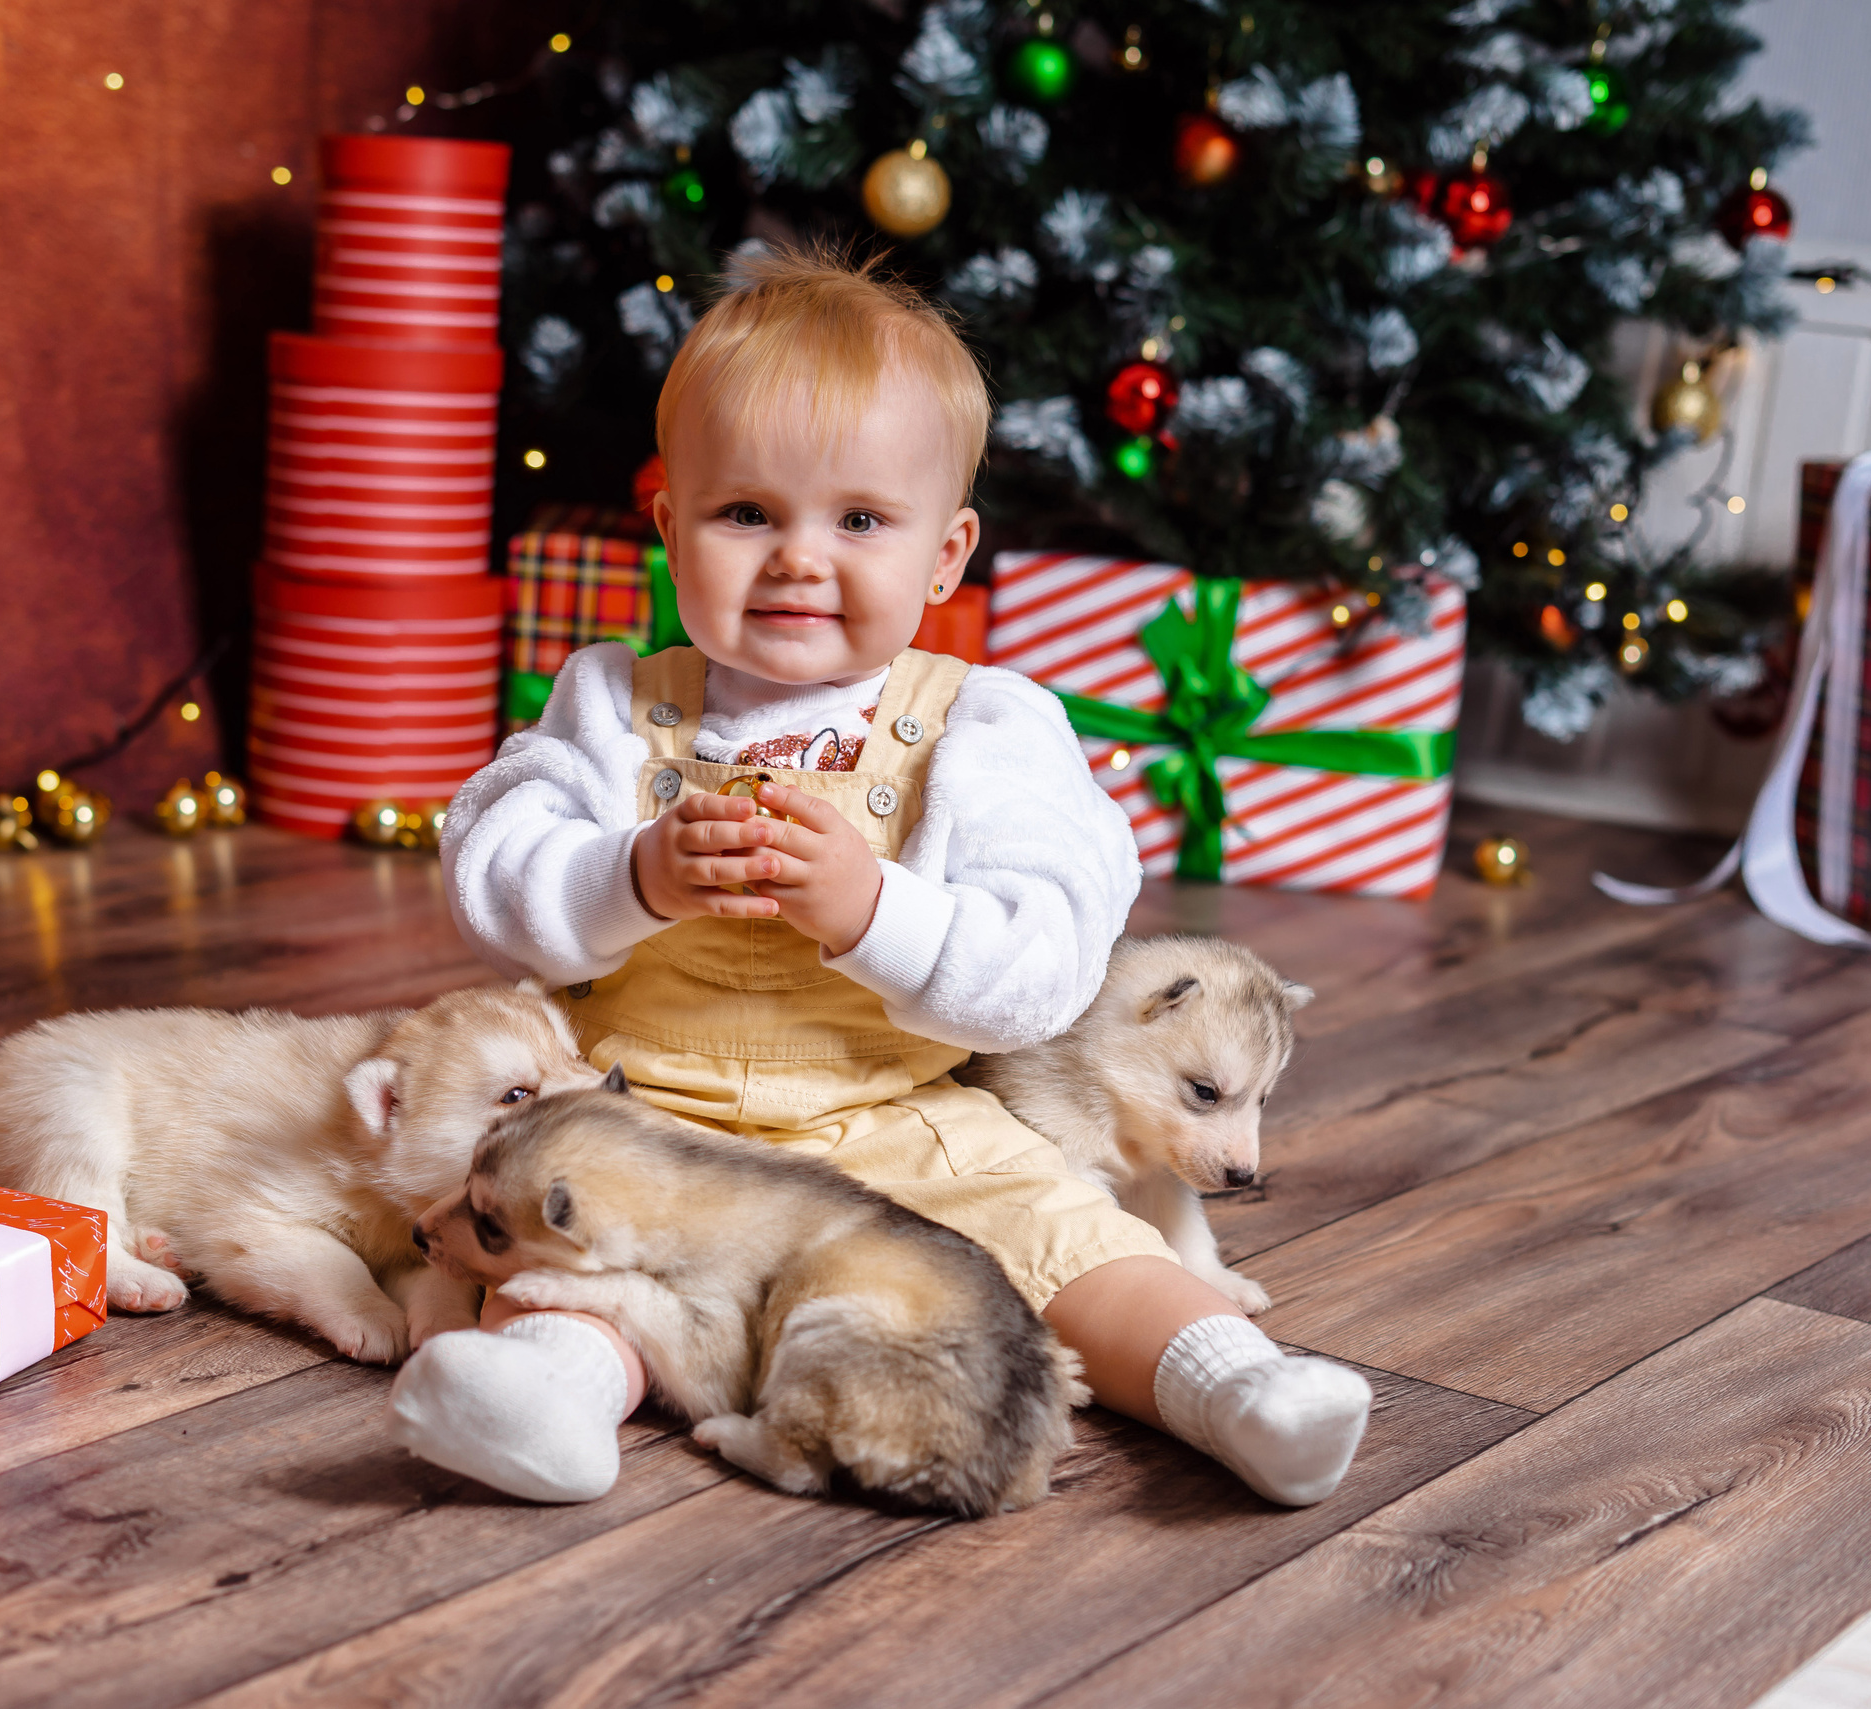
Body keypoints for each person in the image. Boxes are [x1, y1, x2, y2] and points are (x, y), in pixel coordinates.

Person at [389, 246, 1370, 1507]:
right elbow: (485, 869)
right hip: (645, 1102)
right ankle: (547, 1399)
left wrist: (873, 911)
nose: (799, 557)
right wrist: (627, 875)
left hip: (893, 1105)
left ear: (947, 555)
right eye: (747, 513)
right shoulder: (613, 704)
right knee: (579, 1250)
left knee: (1060, 1235)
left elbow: (1045, 962)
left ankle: (1237, 1383)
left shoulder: (986, 727)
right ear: (669, 526)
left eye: (858, 520)